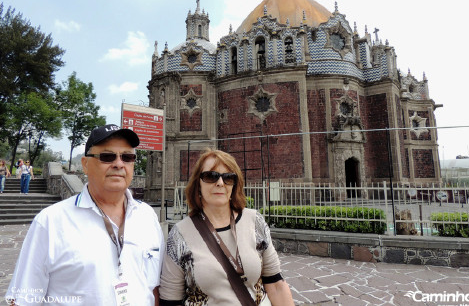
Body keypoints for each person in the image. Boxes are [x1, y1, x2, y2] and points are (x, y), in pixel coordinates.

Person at [6, 124, 164, 305]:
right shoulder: (51, 221)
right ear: (86, 164)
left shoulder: (147, 217)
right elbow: (23, 298)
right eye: (107, 156)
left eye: (127, 157)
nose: (119, 164)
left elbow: (153, 289)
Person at [159, 149, 294, 305]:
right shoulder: (180, 234)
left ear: (234, 185)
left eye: (228, 178)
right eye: (211, 176)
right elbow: (170, 301)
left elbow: (276, 285)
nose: (220, 183)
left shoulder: (254, 221)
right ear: (198, 184)